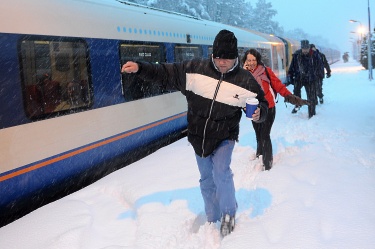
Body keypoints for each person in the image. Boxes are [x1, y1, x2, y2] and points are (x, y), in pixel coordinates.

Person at [121, 29, 269, 237]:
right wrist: (139, 68)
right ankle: (212, 216)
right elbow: (165, 72)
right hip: (198, 136)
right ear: (213, 54)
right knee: (206, 179)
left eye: (227, 58)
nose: (222, 62)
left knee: (221, 172)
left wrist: (259, 113)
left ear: (236, 56)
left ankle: (228, 214)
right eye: (218, 57)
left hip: (225, 135)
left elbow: (262, 105)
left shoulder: (245, 80)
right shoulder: (195, 70)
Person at [242, 49, 309, 170]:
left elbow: (278, 85)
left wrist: (292, 98)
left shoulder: (266, 71)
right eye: (249, 60)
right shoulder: (242, 74)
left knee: (265, 134)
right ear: (245, 61)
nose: (251, 62)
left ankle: (268, 163)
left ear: (257, 60)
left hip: (268, 108)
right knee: (258, 133)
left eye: (253, 60)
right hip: (252, 108)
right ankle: (259, 153)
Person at [288, 40, 324, 118]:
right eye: (303, 48)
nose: (305, 50)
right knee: (296, 93)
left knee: (311, 96)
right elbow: (292, 66)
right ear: (301, 48)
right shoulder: (297, 55)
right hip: (299, 78)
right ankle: (298, 105)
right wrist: (290, 76)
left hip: (311, 79)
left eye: (306, 48)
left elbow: (320, 66)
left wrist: (319, 77)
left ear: (309, 48)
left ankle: (312, 112)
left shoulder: (315, 55)